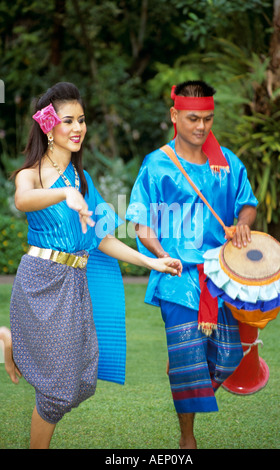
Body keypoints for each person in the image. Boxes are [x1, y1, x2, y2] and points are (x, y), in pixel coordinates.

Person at [8, 82, 182, 449]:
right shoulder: (34, 173)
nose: (77, 128)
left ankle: (11, 343)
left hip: (73, 284)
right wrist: (63, 193)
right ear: (48, 127)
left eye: (82, 120)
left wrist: (153, 260)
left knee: (82, 381)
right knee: (57, 391)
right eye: (68, 120)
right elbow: (24, 200)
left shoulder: (82, 180)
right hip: (41, 281)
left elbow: (104, 238)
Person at [126, 80, 258, 449]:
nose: (201, 127)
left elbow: (246, 202)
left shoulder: (227, 163)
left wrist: (243, 225)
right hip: (177, 275)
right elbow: (141, 220)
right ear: (175, 115)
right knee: (188, 363)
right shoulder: (157, 165)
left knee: (229, 356)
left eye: (208, 119)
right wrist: (159, 252)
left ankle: (186, 371)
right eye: (193, 118)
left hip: (220, 275)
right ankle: (187, 438)